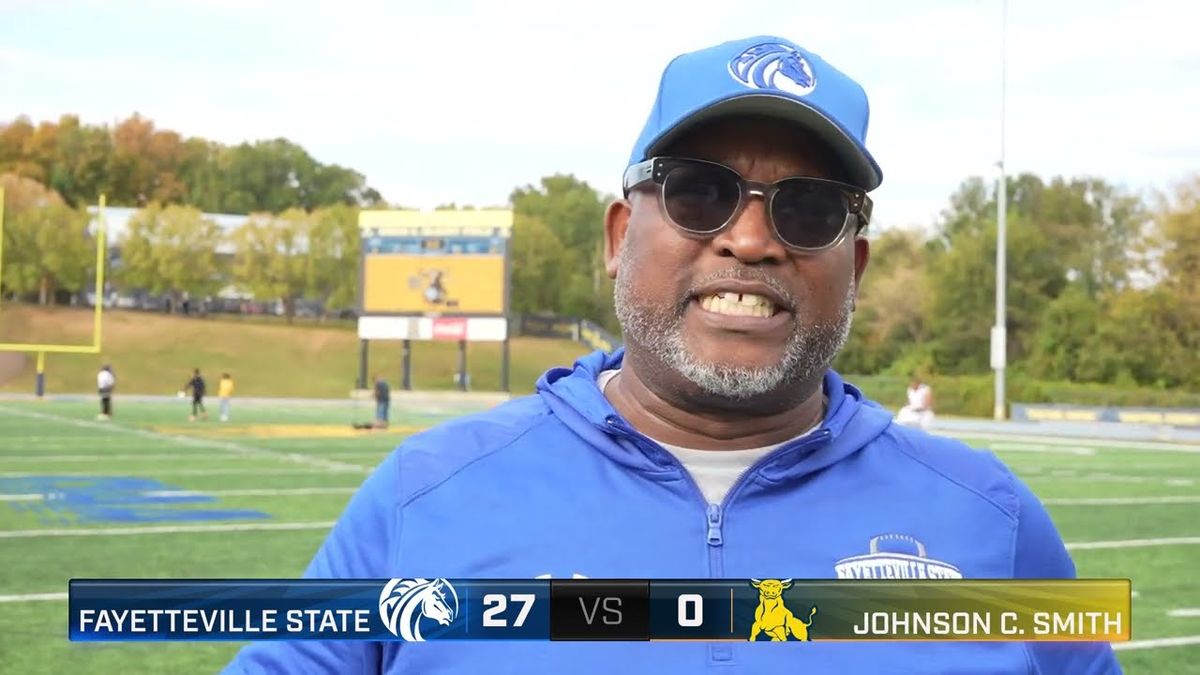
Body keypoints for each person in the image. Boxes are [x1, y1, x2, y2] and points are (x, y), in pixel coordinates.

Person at [224, 36, 1118, 673]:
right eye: (700, 193)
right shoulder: (422, 499)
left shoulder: (993, 524)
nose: (753, 239)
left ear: (855, 262)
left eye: (806, 208)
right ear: (620, 234)